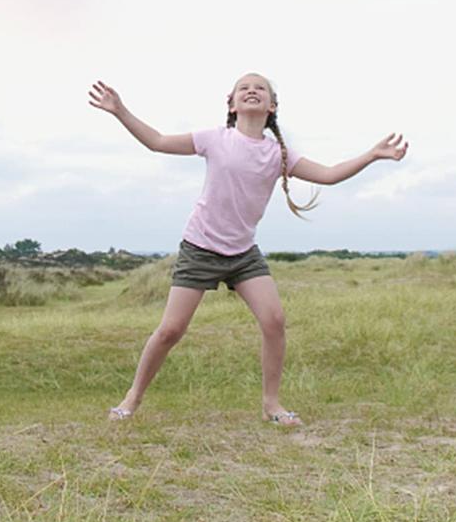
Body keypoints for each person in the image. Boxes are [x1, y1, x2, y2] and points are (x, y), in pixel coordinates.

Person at [88, 72, 408, 426]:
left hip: (243, 253)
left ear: (272, 106)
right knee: (170, 331)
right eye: (244, 87)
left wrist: (372, 155)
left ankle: (271, 404)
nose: (252, 91)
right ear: (231, 104)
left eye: (260, 89)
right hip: (200, 247)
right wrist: (120, 110)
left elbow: (329, 174)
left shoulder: (277, 154)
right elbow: (158, 141)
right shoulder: (215, 139)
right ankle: (132, 398)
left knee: (275, 321)